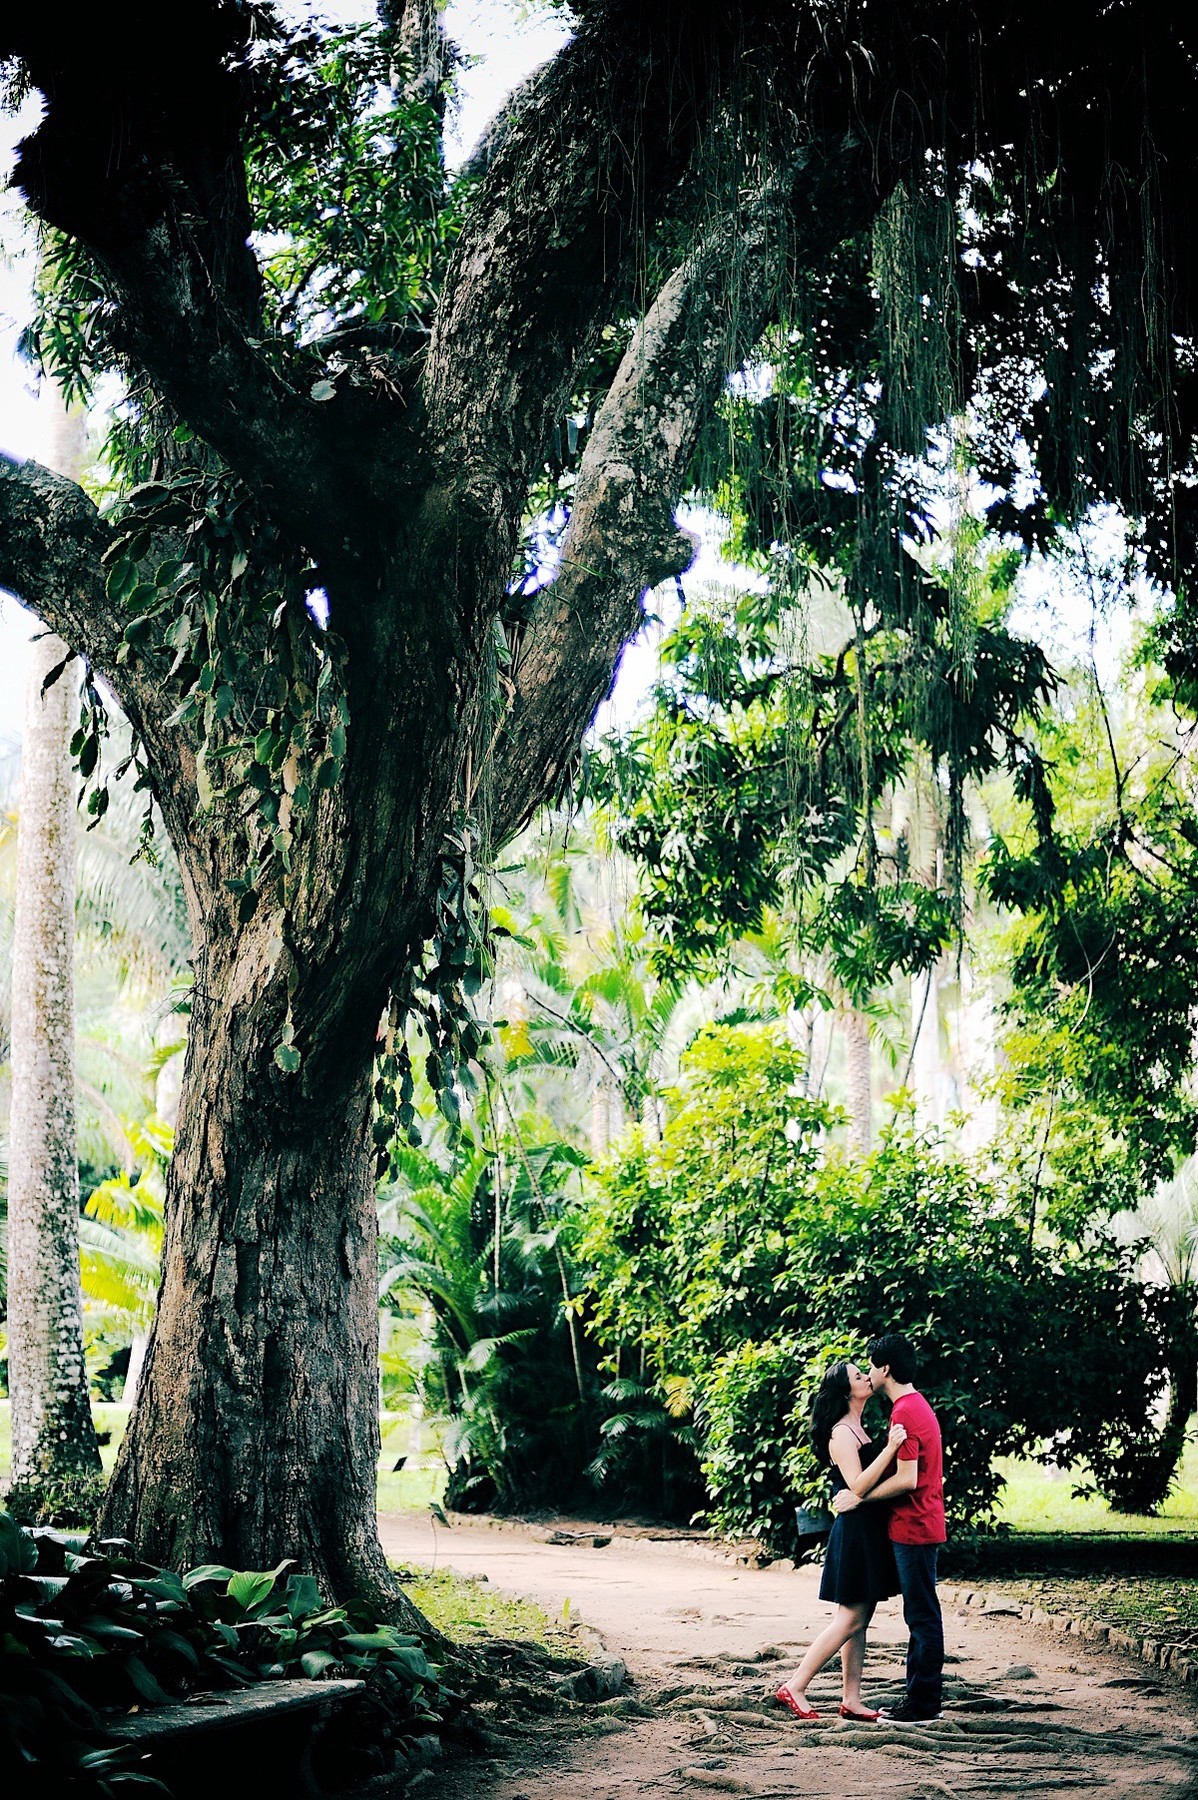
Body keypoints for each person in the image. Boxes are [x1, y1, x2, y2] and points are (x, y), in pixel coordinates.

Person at [774, 1361, 907, 1722]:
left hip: (868, 1529)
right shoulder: (841, 1434)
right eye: (858, 1376)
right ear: (846, 1390)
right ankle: (796, 1685)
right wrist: (892, 1448)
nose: (867, 1377)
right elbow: (857, 1484)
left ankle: (851, 1699)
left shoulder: (858, 1428)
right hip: (855, 1533)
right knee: (849, 1620)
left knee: (859, 1619)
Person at [832, 1331, 945, 1722]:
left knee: (921, 1616)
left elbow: (907, 1479)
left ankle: (923, 1705)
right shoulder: (913, 1406)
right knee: (921, 1614)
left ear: (885, 1369)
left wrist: (860, 1497)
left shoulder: (905, 1412)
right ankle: (922, 1700)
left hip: (914, 1524)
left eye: (869, 1366)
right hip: (917, 1523)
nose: (867, 1373)